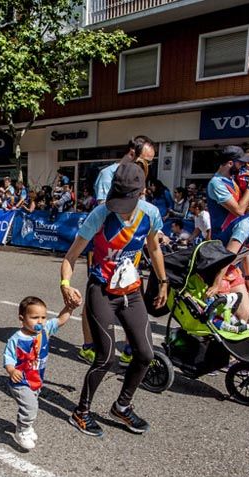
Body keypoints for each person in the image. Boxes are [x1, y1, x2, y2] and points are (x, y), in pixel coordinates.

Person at [59, 159, 168, 437]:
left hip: (131, 291)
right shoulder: (100, 214)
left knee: (145, 354)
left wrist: (163, 282)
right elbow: (71, 256)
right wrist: (65, 284)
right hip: (102, 291)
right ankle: (81, 412)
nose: (118, 206)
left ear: (141, 192)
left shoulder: (151, 214)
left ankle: (122, 406)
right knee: (105, 358)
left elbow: (154, 249)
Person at [79, 136, 158, 365]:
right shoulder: (109, 174)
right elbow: (107, 209)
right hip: (106, 245)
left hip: (131, 244)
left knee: (131, 293)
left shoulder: (140, 174)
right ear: (132, 152)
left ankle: (130, 347)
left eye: (151, 162)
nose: (147, 165)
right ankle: (89, 345)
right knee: (97, 295)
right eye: (146, 159)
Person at [3, 295, 77, 451]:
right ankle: (22, 431)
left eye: (43, 317)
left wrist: (69, 308)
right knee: (30, 407)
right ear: (22, 318)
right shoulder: (16, 339)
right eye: (34, 317)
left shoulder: (44, 330)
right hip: (21, 381)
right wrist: (11, 369)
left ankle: (27, 427)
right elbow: (8, 357)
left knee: (33, 404)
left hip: (36, 380)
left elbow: (60, 320)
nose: (40, 321)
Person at [206, 146, 249, 245]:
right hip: (223, 240)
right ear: (230, 163)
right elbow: (239, 211)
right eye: (240, 163)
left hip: (238, 236)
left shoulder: (233, 179)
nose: (243, 165)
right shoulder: (216, 183)